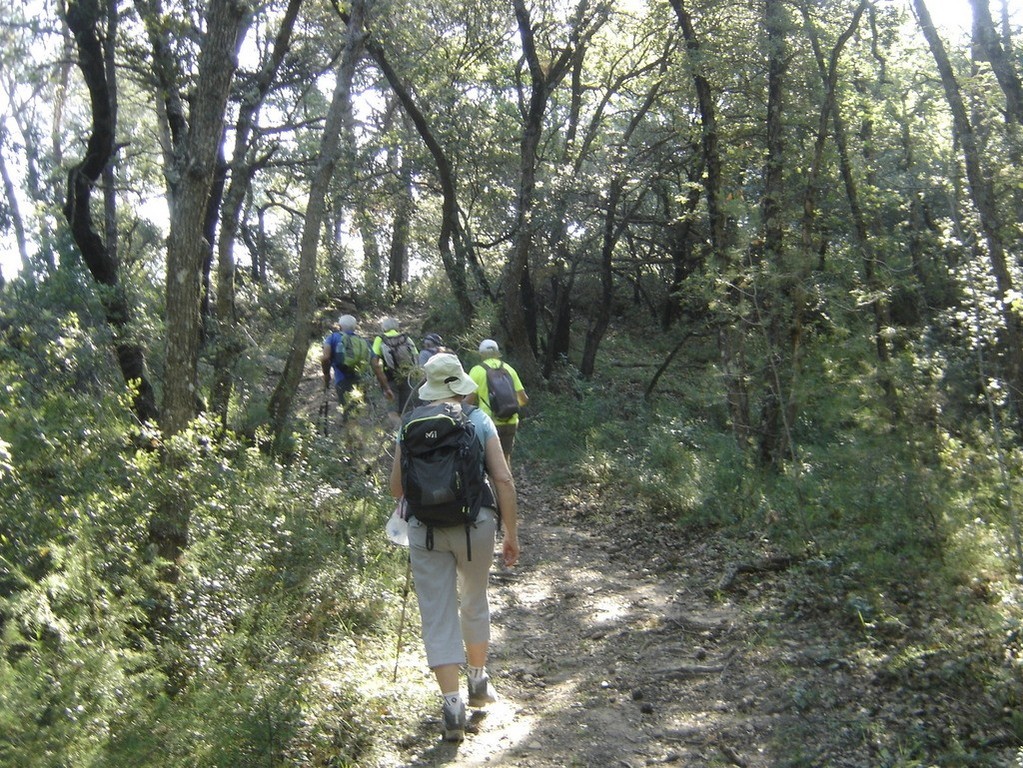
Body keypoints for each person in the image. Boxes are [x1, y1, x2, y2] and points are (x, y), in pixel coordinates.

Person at [389, 353, 520, 743]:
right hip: (475, 525)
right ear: (461, 384)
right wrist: (511, 532)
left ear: (429, 387)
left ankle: (452, 707)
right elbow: (503, 479)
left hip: (424, 530)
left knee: (436, 613)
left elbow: (397, 489)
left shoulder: (410, 424)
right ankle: (478, 683)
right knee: (474, 600)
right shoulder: (477, 420)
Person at [468, 339, 529, 468]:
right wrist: (507, 407)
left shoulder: (476, 371)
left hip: (488, 422)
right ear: (497, 353)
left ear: (481, 354)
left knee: (491, 464)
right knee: (505, 460)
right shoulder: (509, 369)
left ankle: (494, 488)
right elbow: (523, 399)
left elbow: (469, 400)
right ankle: (509, 486)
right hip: (511, 421)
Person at [321, 314, 370, 418]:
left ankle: (351, 433)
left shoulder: (333, 337)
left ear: (340, 326)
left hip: (342, 379)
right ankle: (358, 432)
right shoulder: (362, 341)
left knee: (349, 415)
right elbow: (373, 361)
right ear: (355, 326)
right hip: (361, 380)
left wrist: (326, 375)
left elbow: (325, 358)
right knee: (357, 413)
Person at [372, 317, 419, 423]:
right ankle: (409, 433)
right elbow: (416, 357)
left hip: (390, 378)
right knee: (407, 410)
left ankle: (400, 434)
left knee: (392, 412)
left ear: (384, 328)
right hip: (407, 376)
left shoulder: (380, 339)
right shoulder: (406, 338)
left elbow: (375, 362)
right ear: (397, 327)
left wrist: (382, 383)